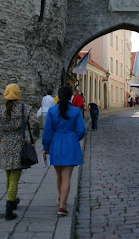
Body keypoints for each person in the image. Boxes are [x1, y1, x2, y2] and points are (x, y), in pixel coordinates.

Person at [0, 83, 39, 221]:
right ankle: (9, 208)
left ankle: (13, 199)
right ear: (18, 95)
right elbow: (36, 123)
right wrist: (34, 138)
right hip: (18, 144)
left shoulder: (0, 109)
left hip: (5, 144)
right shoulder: (25, 108)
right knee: (15, 176)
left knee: (9, 174)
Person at [42, 85, 86, 216]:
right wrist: (73, 138)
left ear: (59, 96)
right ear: (70, 97)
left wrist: (46, 147)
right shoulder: (76, 111)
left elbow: (47, 131)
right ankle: (62, 206)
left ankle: (61, 198)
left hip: (55, 143)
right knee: (67, 176)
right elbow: (81, 130)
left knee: (59, 175)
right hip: (70, 143)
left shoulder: (52, 111)